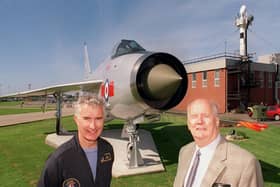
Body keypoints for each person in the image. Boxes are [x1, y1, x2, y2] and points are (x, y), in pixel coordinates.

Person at [174, 98, 263, 187]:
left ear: (216, 121)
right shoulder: (184, 152)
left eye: (205, 116)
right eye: (194, 116)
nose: (199, 121)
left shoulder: (246, 163)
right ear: (188, 124)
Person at [38, 93, 114, 187]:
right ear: (76, 120)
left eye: (98, 118)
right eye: (86, 118)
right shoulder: (59, 159)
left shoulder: (107, 150)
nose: (93, 126)